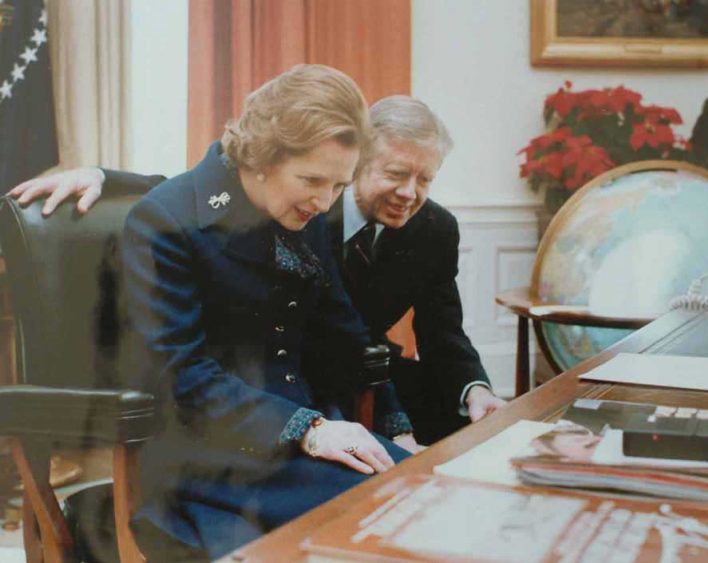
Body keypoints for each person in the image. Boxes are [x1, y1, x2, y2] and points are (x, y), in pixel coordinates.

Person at [38, 64, 416, 561]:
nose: (324, 201)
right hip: (203, 458)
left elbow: (346, 332)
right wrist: (310, 429)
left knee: (418, 494)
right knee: (374, 526)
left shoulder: (303, 207)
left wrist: (396, 428)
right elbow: (183, 377)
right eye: (312, 180)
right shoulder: (165, 221)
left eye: (339, 186)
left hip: (300, 442)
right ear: (263, 156)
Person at [12, 97, 507, 445]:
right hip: (270, 380)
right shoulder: (299, 199)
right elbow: (199, 192)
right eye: (397, 174)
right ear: (360, 161)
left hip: (356, 367)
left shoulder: (433, 227)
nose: (410, 193)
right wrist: (105, 176)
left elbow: (442, 329)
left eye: (426, 179)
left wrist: (474, 390)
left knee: (460, 441)